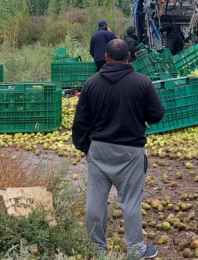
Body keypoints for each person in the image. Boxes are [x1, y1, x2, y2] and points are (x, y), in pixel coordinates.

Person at [72, 39, 164, 259]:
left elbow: (80, 122)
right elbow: (157, 114)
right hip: (130, 152)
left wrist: (86, 147)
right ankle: (135, 250)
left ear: (106, 57)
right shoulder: (142, 83)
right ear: (128, 57)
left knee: (95, 201)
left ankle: (96, 249)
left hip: (100, 149)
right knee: (130, 202)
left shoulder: (92, 84)